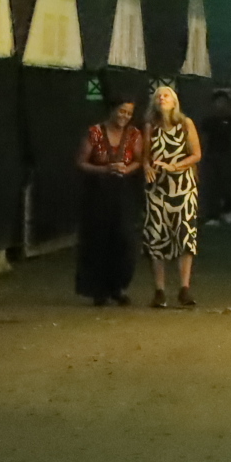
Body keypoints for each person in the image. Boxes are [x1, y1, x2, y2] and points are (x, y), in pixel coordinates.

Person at [74, 99, 145, 307]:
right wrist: (104, 169)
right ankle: (99, 289)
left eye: (129, 113)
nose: (124, 116)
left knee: (124, 239)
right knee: (98, 239)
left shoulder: (133, 134)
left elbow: (140, 159)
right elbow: (80, 162)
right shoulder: (95, 133)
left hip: (123, 192)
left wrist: (127, 168)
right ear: (112, 110)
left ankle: (119, 286)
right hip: (98, 192)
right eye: (121, 111)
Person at [142, 82, 202, 307]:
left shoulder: (185, 124)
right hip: (158, 188)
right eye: (159, 96)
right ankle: (159, 290)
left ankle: (184, 288)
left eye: (167, 95)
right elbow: (145, 155)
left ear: (175, 101)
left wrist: (175, 166)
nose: (162, 98)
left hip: (183, 187)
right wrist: (147, 166)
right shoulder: (151, 126)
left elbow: (196, 154)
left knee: (184, 236)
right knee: (157, 236)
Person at [200, 86, 231, 227]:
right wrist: (203, 156)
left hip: (226, 155)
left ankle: (228, 209)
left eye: (223, 102)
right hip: (211, 155)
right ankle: (212, 215)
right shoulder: (208, 121)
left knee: (227, 184)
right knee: (212, 186)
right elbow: (204, 139)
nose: (220, 105)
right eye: (218, 102)